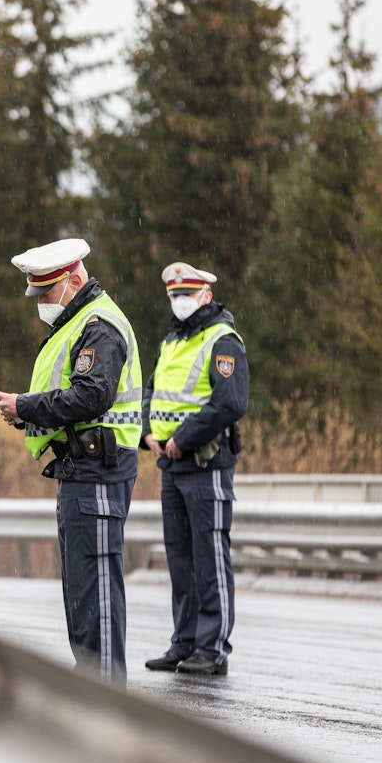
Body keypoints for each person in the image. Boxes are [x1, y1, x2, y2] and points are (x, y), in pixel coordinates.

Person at [0, 237, 143, 685]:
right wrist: (23, 412)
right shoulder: (78, 323)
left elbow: (92, 396)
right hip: (80, 468)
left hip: (98, 469)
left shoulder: (99, 325)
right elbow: (70, 400)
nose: (42, 303)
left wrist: (27, 406)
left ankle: (107, 694)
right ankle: (92, 686)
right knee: (82, 587)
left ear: (74, 280)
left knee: (96, 588)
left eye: (48, 293)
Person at [142, 262, 249, 676]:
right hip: (170, 465)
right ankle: (184, 643)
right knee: (181, 560)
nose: (179, 302)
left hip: (206, 465)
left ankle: (213, 648)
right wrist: (147, 434)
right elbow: (153, 391)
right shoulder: (172, 340)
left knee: (210, 558)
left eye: (186, 294)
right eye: (174, 295)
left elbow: (230, 402)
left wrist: (181, 439)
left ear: (206, 295)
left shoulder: (223, 340)